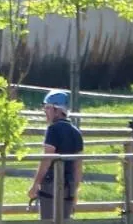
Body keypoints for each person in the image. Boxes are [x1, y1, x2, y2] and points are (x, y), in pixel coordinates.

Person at [29, 90, 84, 221]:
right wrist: (75, 190)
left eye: (48, 108)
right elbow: (78, 167)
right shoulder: (76, 132)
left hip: (51, 186)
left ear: (57, 110)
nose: (45, 111)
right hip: (68, 187)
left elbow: (47, 160)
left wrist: (35, 184)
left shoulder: (52, 130)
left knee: (48, 221)